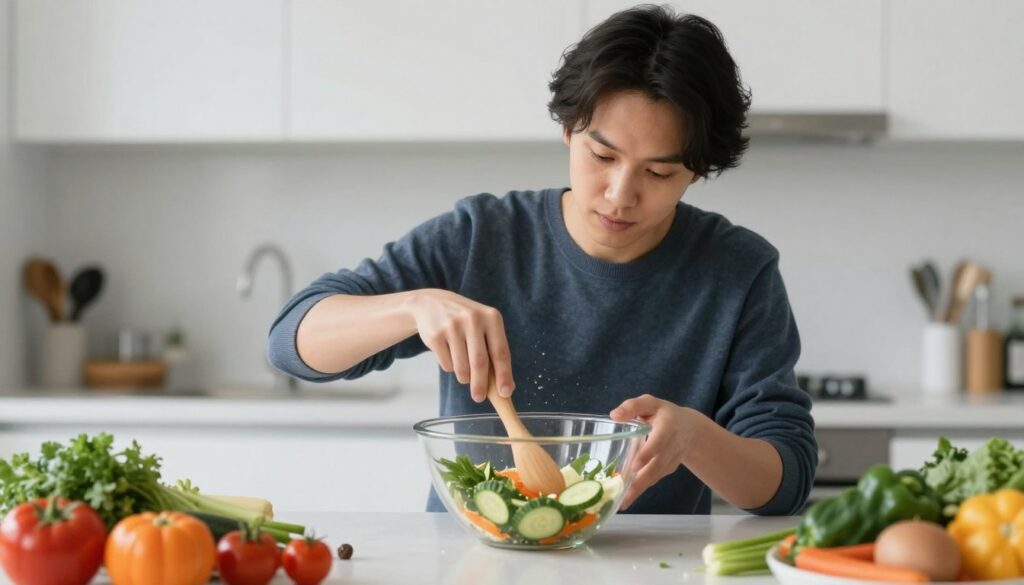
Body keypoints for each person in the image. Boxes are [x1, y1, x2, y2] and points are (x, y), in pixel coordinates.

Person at [268, 4, 816, 515]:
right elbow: (291, 343)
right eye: (602, 155)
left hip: (651, 565)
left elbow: (787, 482)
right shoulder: (479, 237)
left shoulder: (738, 271)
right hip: (472, 559)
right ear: (567, 129)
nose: (620, 194)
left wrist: (696, 437)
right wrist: (413, 307)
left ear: (697, 172)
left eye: (658, 172)